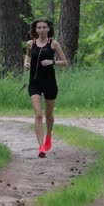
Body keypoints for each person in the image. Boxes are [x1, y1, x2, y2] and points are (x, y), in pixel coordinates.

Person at [24, 18, 68, 158]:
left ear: (49, 29)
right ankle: (41, 147)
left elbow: (65, 62)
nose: (41, 30)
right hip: (34, 83)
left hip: (49, 83)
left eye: (44, 27)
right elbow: (28, 56)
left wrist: (52, 61)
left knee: (48, 115)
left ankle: (48, 135)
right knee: (38, 114)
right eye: (39, 27)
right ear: (35, 30)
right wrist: (26, 64)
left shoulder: (54, 44)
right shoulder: (30, 44)